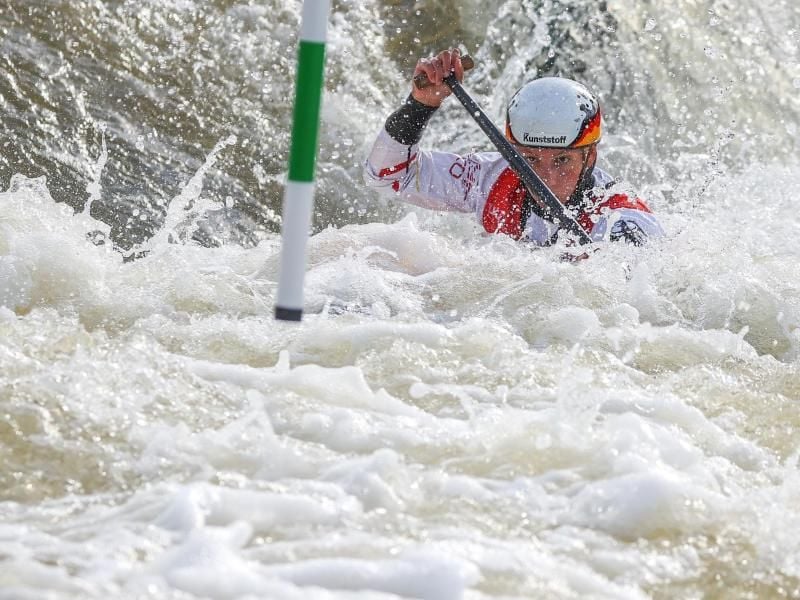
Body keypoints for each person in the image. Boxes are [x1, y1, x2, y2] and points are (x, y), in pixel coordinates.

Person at [363, 48, 664, 247]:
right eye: (530, 159)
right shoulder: (487, 178)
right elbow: (388, 177)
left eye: (561, 161)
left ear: (590, 157)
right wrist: (420, 105)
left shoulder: (622, 219)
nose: (545, 176)